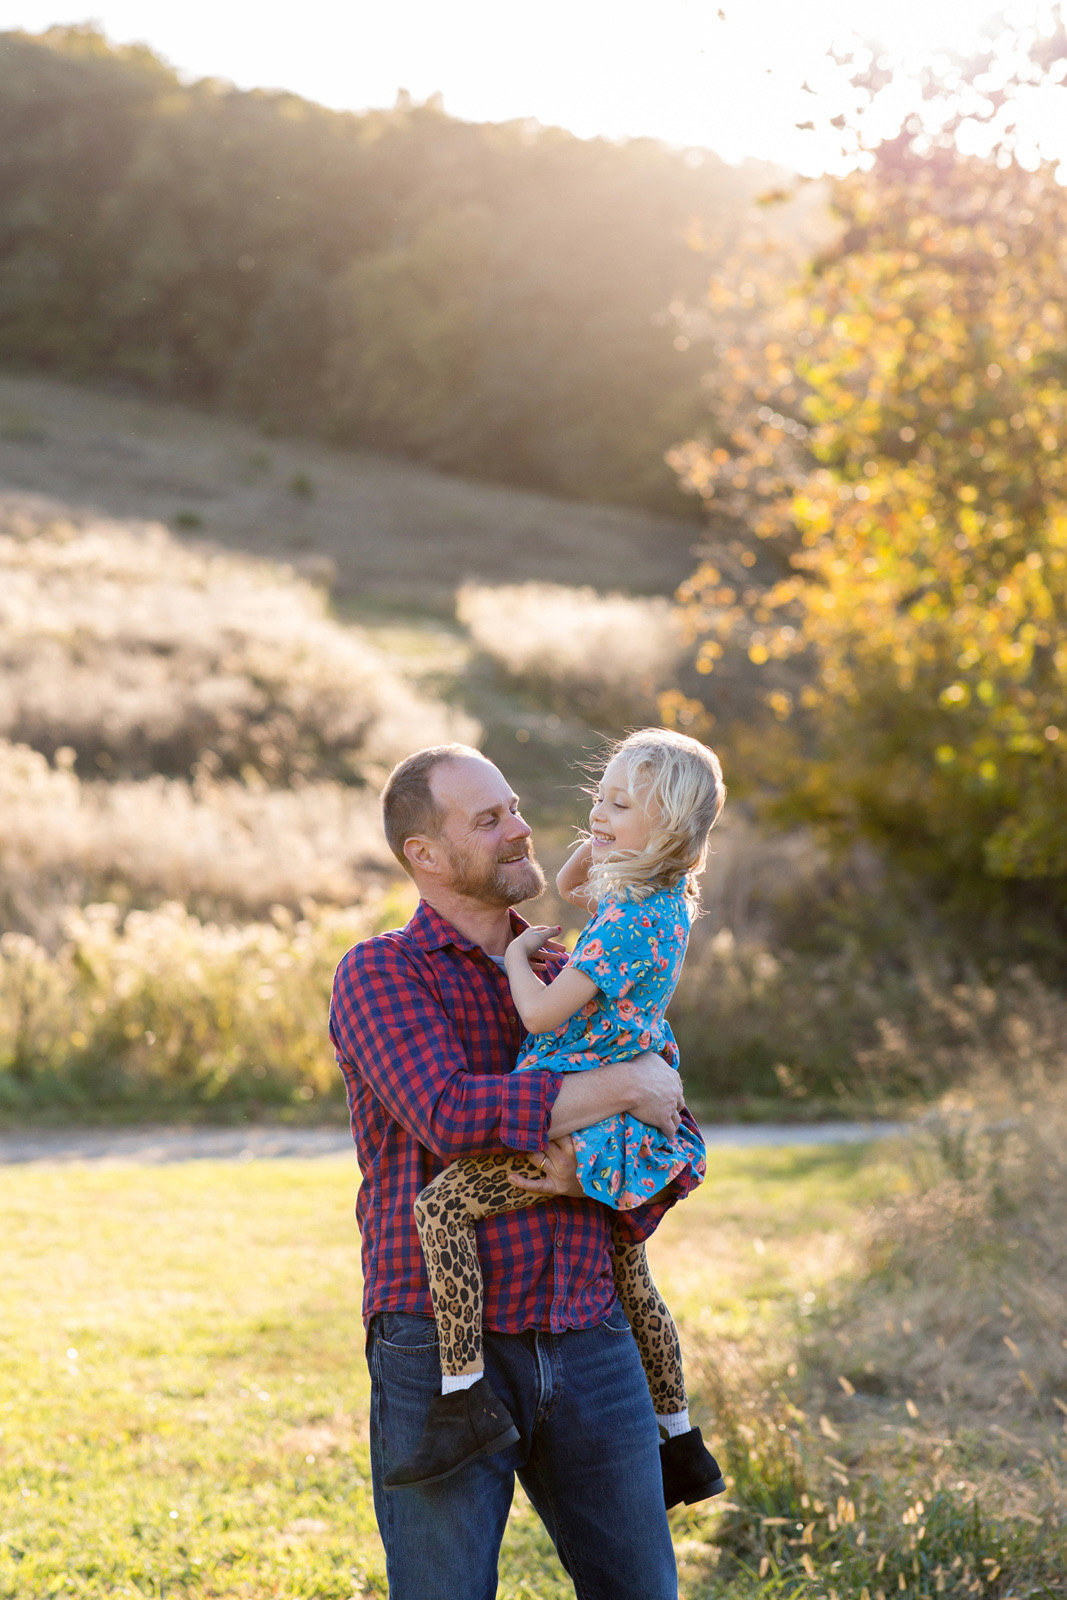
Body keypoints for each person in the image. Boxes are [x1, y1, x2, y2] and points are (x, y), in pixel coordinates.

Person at [330, 743, 707, 1600]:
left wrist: (593, 1176)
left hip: (589, 1330)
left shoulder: (563, 968)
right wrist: (617, 1086)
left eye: (514, 808)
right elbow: (450, 1114)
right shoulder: (382, 973)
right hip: (438, 1342)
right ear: (424, 854)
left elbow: (678, 1144)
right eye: (487, 818)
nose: (520, 827)